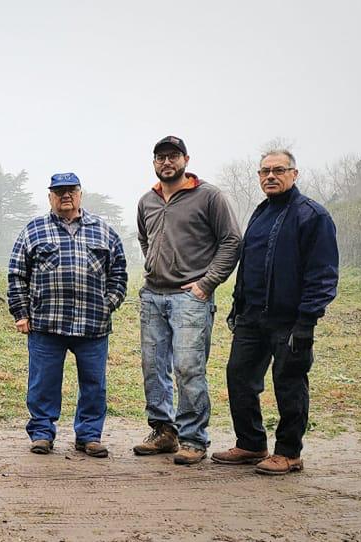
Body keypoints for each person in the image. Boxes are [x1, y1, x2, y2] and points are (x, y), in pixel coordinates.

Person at [212, 149, 338, 475]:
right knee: (239, 377)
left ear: (294, 174)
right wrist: (238, 306)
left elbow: (323, 274)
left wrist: (307, 321)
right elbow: (249, 265)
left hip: (290, 320)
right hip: (252, 317)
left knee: (290, 383)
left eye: (279, 170)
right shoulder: (260, 213)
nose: (270, 176)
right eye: (265, 171)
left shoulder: (312, 216)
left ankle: (289, 452)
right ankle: (251, 444)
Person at [134, 136, 241, 465]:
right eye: (160, 157)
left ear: (186, 159)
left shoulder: (209, 196)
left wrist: (207, 283)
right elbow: (144, 238)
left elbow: (232, 241)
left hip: (189, 298)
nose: (167, 162)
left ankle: (194, 438)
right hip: (153, 296)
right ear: (154, 162)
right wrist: (154, 266)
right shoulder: (147, 201)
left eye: (173, 156)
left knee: (188, 369)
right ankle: (164, 432)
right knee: (153, 368)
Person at [8, 173, 128, 457]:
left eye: (70, 191)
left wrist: (108, 303)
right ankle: (41, 433)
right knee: (43, 383)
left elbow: (120, 273)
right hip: (46, 324)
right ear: (49, 196)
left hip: (93, 325)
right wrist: (21, 313)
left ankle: (89, 436)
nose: (65, 196)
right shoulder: (33, 230)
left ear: (80, 194)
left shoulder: (104, 231)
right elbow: (16, 274)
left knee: (94, 385)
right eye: (59, 191)